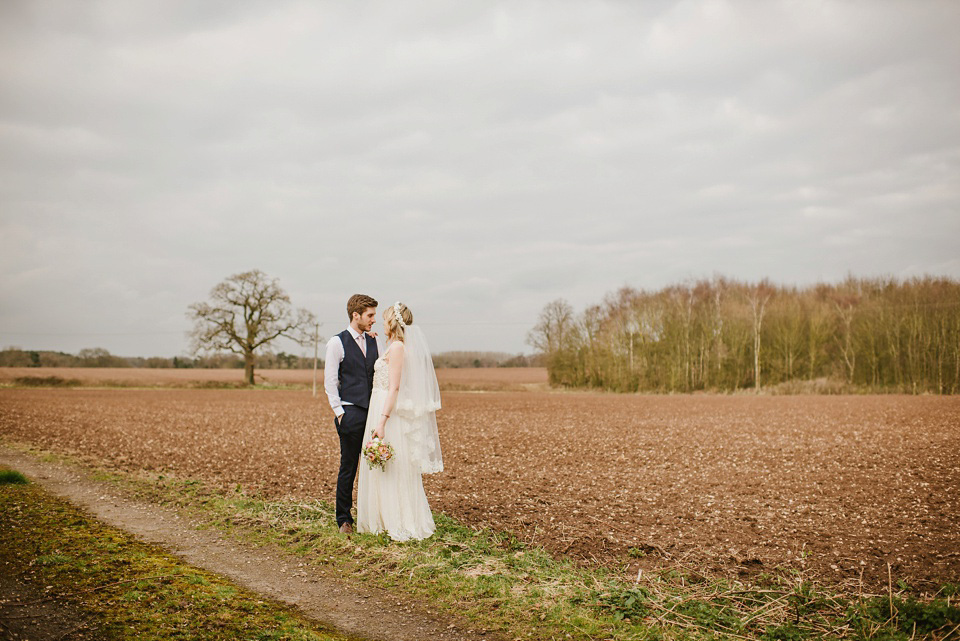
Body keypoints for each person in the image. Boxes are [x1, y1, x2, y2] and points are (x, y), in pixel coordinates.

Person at [357, 302, 443, 541]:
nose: (381, 323)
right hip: (381, 404)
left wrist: (382, 421)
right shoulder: (394, 346)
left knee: (392, 466)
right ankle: (384, 517)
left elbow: (394, 387)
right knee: (388, 466)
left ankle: (396, 519)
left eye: (384, 320)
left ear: (392, 323)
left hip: (387, 409)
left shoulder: (397, 348)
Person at [324, 294, 384, 534]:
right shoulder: (336, 343)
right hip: (350, 412)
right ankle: (344, 520)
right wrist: (339, 413)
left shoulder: (374, 341)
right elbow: (330, 382)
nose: (373, 320)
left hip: (374, 413)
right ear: (355, 315)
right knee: (348, 466)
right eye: (370, 315)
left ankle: (374, 517)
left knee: (376, 465)